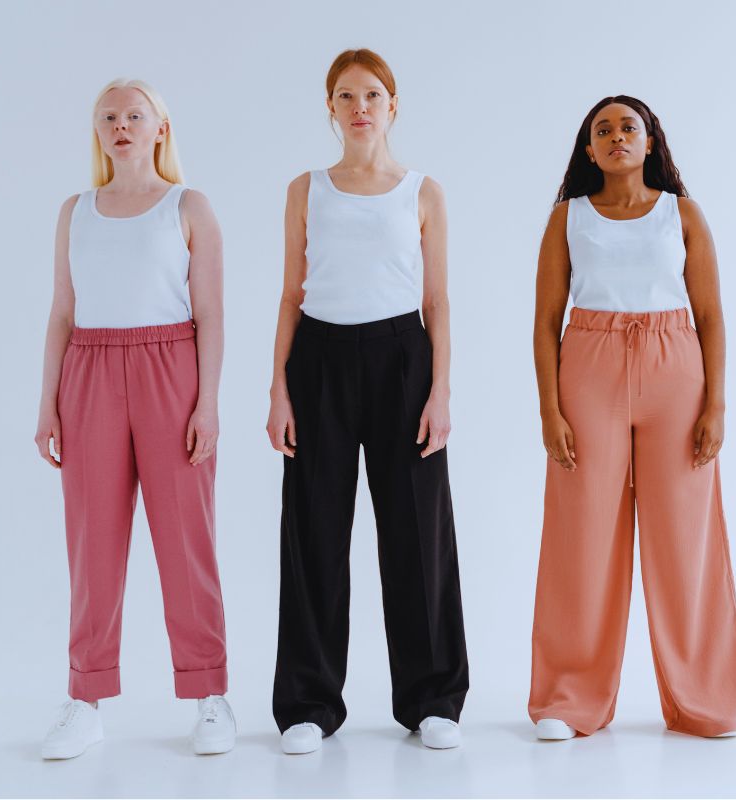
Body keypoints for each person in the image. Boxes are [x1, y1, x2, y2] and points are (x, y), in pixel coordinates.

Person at [267, 48, 469, 754]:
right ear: (331, 108)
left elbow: (438, 300)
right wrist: (278, 388)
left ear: (392, 106)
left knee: (417, 532)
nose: (360, 107)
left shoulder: (423, 191)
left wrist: (440, 389)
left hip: (401, 359)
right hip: (319, 358)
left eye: (373, 95)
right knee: (314, 531)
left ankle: (432, 697)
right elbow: (291, 295)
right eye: (347, 96)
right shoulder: (306, 189)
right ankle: (307, 703)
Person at [528, 95, 736, 740]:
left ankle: (704, 700)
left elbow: (710, 316)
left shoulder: (683, 215)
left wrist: (716, 404)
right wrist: (550, 408)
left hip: (674, 370)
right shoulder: (568, 218)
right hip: (588, 370)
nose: (617, 136)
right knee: (582, 536)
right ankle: (569, 699)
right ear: (588, 148)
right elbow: (544, 323)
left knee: (685, 539)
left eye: (630, 127)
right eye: (604, 129)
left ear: (651, 142)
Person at [34, 78, 234, 759]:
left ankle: (210, 694)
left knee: (187, 540)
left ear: (160, 128)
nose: (122, 124)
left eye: (135, 115)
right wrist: (47, 405)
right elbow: (62, 312)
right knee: (91, 545)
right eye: (108, 116)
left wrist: (207, 401)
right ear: (98, 132)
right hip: (88, 372)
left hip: (169, 368)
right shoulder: (75, 211)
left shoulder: (188, 207)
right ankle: (85, 699)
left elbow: (210, 314)